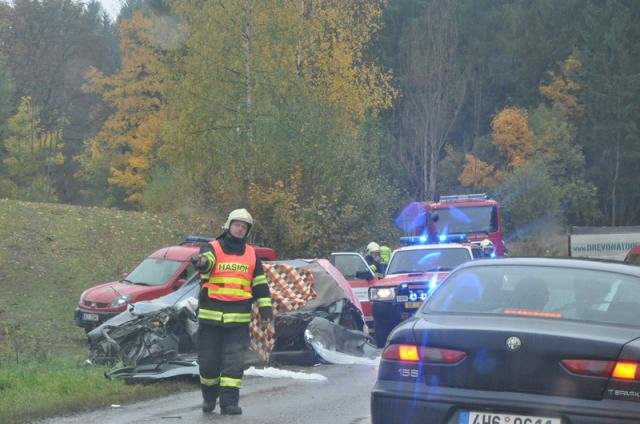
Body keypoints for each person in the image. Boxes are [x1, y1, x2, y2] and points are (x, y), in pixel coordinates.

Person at [191, 208, 272, 415]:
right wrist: (201, 263)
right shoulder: (212, 247)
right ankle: (209, 397)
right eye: (237, 225)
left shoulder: (252, 254)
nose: (240, 229)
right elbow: (206, 262)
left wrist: (265, 308)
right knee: (208, 365)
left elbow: (260, 284)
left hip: (238, 320)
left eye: (244, 227)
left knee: (233, 364)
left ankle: (229, 404)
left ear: (247, 231)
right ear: (229, 226)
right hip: (211, 320)